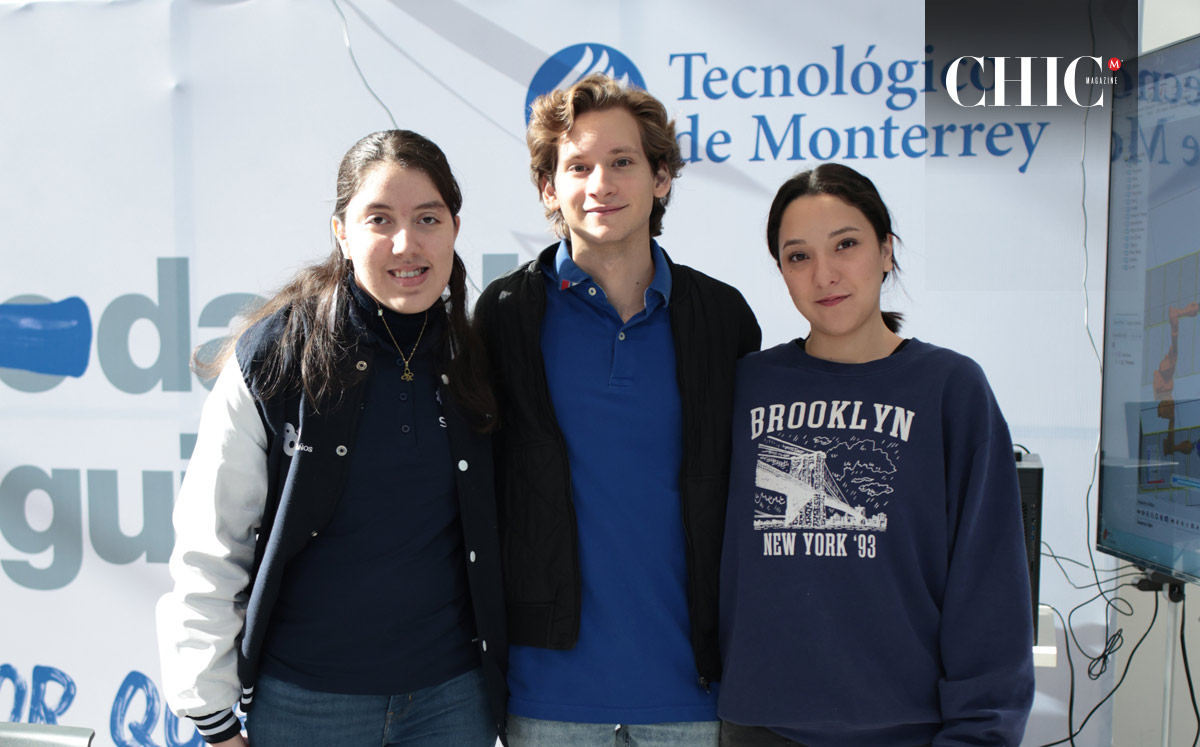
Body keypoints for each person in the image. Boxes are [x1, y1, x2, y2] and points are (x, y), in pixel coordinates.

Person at [156, 130, 507, 747]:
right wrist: (211, 718)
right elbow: (212, 544)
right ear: (341, 232)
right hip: (307, 706)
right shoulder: (276, 357)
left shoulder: (477, 356)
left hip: (452, 701)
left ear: (455, 226)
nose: (407, 243)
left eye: (428, 217)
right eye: (379, 219)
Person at [474, 73, 761, 746]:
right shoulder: (506, 316)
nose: (600, 182)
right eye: (577, 166)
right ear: (549, 188)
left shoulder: (722, 318)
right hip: (546, 701)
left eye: (623, 162)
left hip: (692, 697)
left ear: (662, 177)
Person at [718, 163, 1035, 747]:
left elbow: (990, 584)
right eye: (798, 256)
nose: (825, 274)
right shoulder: (746, 387)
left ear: (886, 250)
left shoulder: (950, 388)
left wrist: (982, 733)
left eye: (846, 244)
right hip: (758, 726)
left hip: (909, 731)